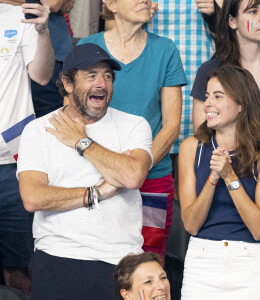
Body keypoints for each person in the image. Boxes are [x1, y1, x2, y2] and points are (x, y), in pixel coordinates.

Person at [17, 43, 153, 299]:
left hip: (120, 261)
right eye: (91, 75)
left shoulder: (134, 125)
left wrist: (82, 142)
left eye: (108, 76)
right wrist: (97, 191)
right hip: (57, 256)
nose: (101, 83)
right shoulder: (38, 130)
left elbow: (133, 176)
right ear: (68, 84)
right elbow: (33, 197)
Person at [192, 0, 260, 268]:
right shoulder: (211, 71)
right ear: (231, 21)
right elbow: (202, 138)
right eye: (252, 11)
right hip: (230, 189)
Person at [77, 0, 187, 258]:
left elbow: (171, 126)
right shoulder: (87, 47)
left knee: (149, 261)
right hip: (95, 175)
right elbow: (73, 117)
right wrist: (113, 169)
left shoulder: (165, 49)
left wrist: (135, 169)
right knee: (98, 257)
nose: (146, 1)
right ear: (111, 4)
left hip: (153, 178)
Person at [179, 65, 260, 298]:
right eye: (206, 97)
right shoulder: (190, 148)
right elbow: (191, 225)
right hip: (202, 262)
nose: (207, 104)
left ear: (242, 104)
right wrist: (213, 178)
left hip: (252, 263)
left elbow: (259, 228)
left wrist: (229, 176)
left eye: (218, 96)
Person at [0, 0, 54, 295]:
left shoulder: (17, 17)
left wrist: (43, 31)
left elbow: (43, 76)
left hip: (14, 164)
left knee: (20, 269)